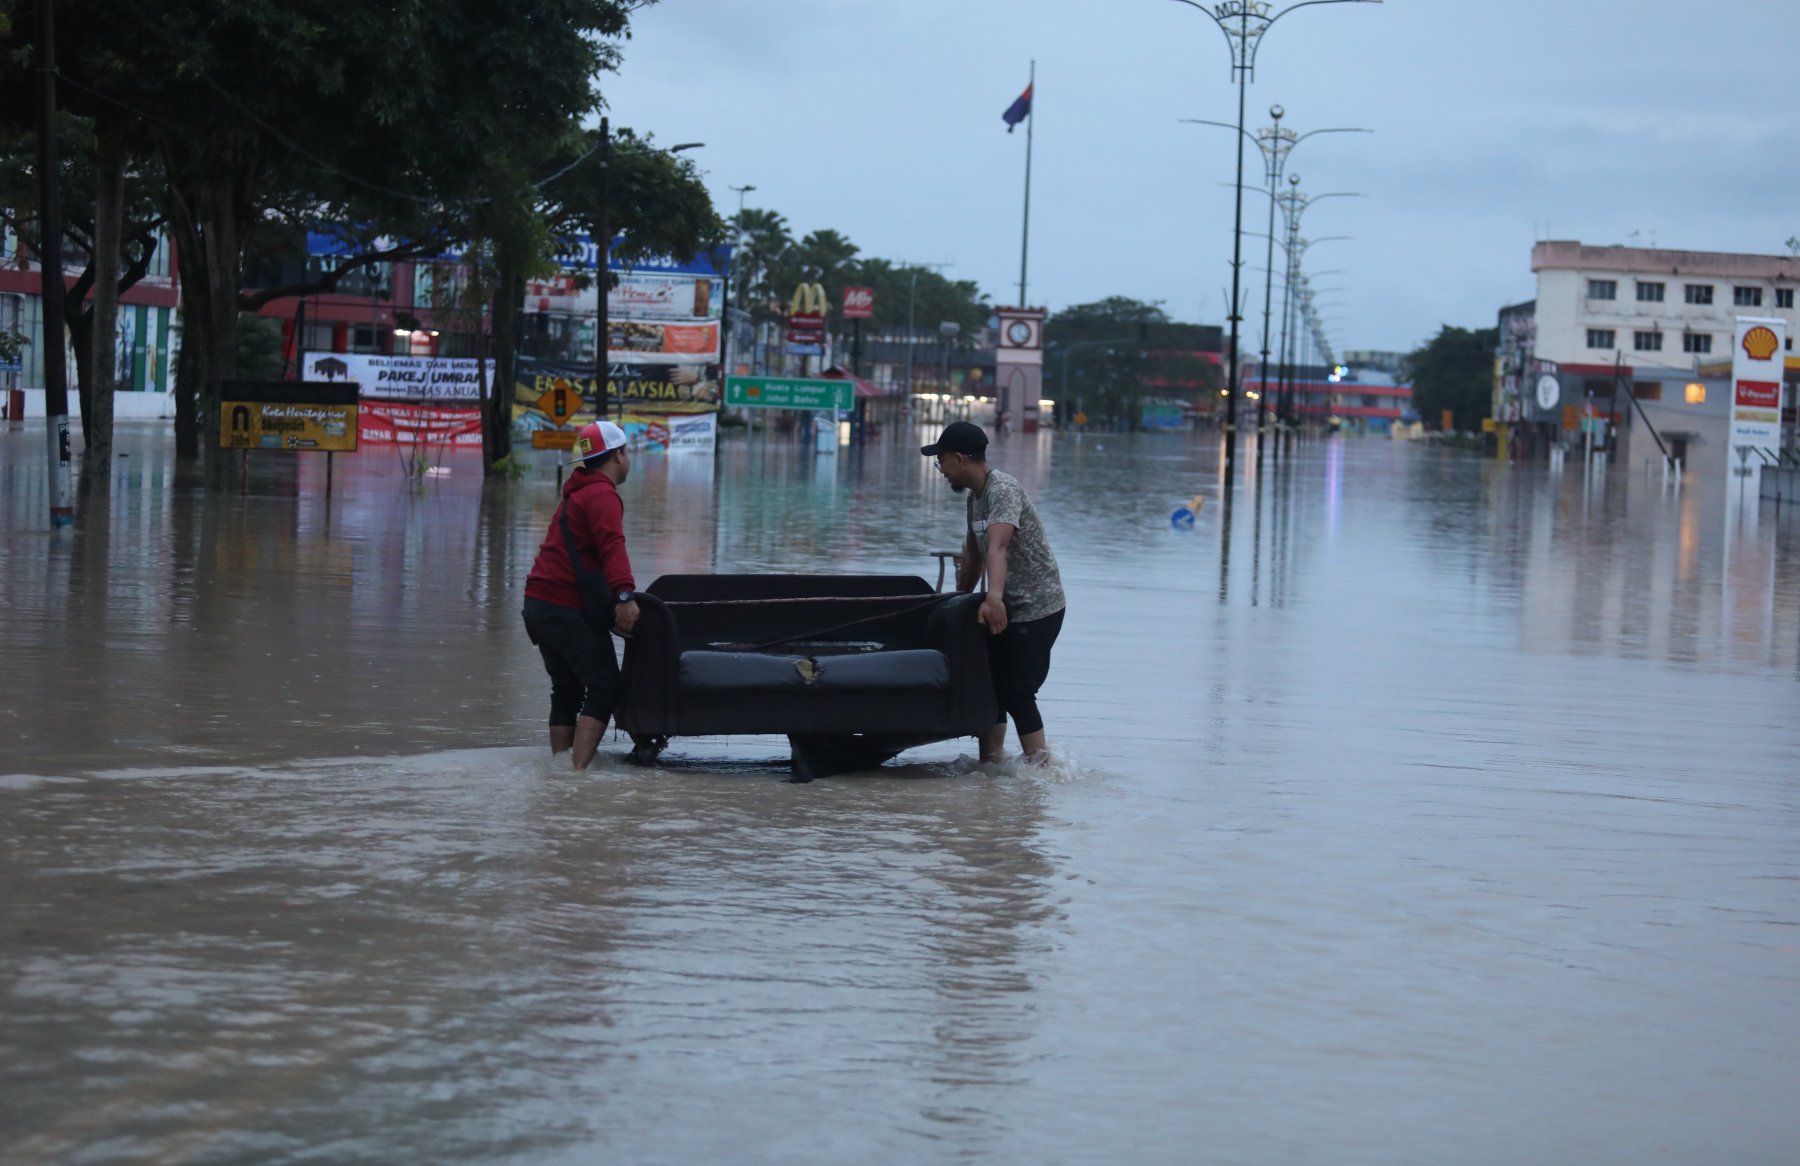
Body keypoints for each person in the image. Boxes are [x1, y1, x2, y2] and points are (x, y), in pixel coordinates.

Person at [921, 420, 1066, 765]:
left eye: (941, 462)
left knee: (1017, 690)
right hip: (1005, 604)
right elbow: (974, 553)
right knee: (990, 685)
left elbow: (998, 548)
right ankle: (991, 768)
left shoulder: (1003, 489)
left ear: (959, 458)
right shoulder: (976, 499)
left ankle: (1041, 772)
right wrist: (959, 598)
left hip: (1037, 605)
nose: (941, 472)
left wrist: (994, 598)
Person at [521, 420, 640, 769]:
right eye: (627, 452)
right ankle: (576, 776)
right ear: (618, 455)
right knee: (605, 687)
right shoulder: (603, 495)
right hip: (564, 606)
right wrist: (624, 596)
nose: (628, 458)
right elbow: (612, 547)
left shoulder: (576, 494)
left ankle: (560, 769)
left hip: (538, 606)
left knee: (568, 690)